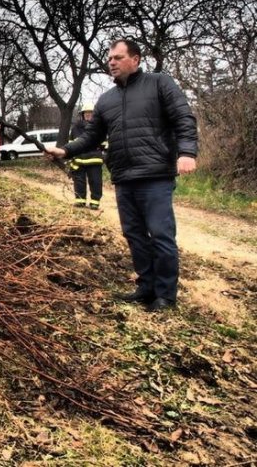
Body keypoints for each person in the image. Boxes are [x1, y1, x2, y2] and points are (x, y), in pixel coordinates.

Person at [45, 39, 198, 312]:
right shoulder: (107, 100)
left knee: (161, 234)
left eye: (117, 57)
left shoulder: (160, 84)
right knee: (134, 234)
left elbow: (183, 118)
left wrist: (187, 152)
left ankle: (165, 296)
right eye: (109, 59)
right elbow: (92, 136)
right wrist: (65, 151)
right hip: (124, 177)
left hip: (155, 175)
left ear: (136, 59)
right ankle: (146, 287)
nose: (111, 63)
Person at [69, 103, 104, 209]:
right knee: (79, 181)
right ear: (82, 114)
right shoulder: (75, 127)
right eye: (86, 113)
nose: (88, 115)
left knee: (95, 181)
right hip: (79, 159)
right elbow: (71, 143)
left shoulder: (99, 127)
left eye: (91, 113)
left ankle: (94, 203)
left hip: (94, 160)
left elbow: (104, 143)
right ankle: (80, 201)